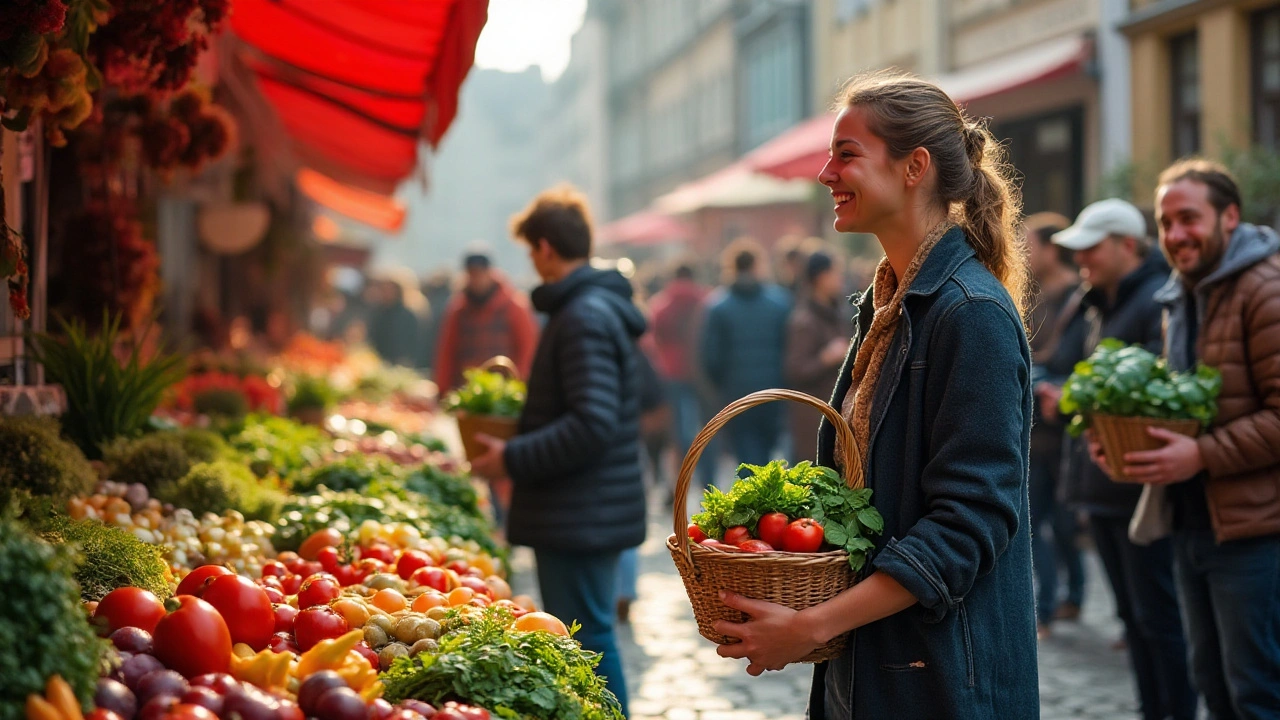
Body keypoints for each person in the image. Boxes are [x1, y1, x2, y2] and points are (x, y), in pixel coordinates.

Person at [712, 70, 1038, 719]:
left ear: (914, 166)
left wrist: (814, 625)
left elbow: (970, 522)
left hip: (942, 681)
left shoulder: (969, 313)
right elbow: (873, 493)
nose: (827, 173)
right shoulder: (888, 305)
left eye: (847, 154)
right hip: (876, 665)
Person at [467, 185, 645, 717]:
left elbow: (591, 423)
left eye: (530, 252)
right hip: (585, 506)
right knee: (588, 634)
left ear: (544, 248)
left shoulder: (583, 315)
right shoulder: (589, 309)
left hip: (581, 509)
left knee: (589, 636)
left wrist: (511, 457)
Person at [1115, 159, 1280, 720]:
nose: (1176, 235)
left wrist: (1200, 454)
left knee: (1256, 692)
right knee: (1213, 686)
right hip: (1193, 523)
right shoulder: (1183, 295)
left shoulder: (1264, 289)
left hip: (1256, 533)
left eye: (1189, 218)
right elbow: (1191, 410)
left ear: (1230, 216)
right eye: (1165, 222)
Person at [1047, 198, 1195, 720]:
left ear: (1127, 245)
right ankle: (1152, 707)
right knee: (1133, 618)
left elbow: (1156, 389)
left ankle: (1173, 708)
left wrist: (1077, 398)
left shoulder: (1155, 298)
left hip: (1139, 483)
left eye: (1093, 246)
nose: (1082, 256)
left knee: (1157, 616)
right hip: (1102, 481)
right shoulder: (1098, 302)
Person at [1024, 211, 1088, 636]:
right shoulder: (1034, 296)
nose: (1023, 252)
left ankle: (1074, 596)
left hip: (1067, 429)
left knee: (1065, 523)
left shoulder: (1078, 298)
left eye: (1029, 244)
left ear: (1052, 248)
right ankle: (1045, 607)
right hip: (1037, 428)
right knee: (1036, 521)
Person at [699, 239, 792, 474]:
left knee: (746, 458)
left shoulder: (718, 306)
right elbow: (788, 348)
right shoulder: (780, 302)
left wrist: (722, 386)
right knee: (771, 455)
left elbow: (711, 358)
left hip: (737, 393)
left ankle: (752, 507)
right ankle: (772, 507)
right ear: (757, 265)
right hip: (774, 390)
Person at [433, 250, 539, 394]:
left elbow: (528, 349)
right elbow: (447, 352)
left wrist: (518, 385)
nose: (476, 279)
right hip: (468, 390)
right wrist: (443, 389)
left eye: (480, 273)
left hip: (505, 391)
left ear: (490, 273)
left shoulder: (514, 306)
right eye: (472, 274)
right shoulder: (458, 309)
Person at [648, 261, 714, 492]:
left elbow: (653, 340)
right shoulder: (707, 300)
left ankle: (681, 481)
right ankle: (708, 479)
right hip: (701, 372)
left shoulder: (661, 304)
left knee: (679, 431)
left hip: (671, 372)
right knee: (708, 426)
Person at [784, 250, 850, 462]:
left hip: (833, 412)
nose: (841, 278)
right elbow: (795, 369)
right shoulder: (805, 320)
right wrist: (826, 358)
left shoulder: (836, 312)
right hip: (813, 418)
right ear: (821, 277)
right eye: (836, 272)